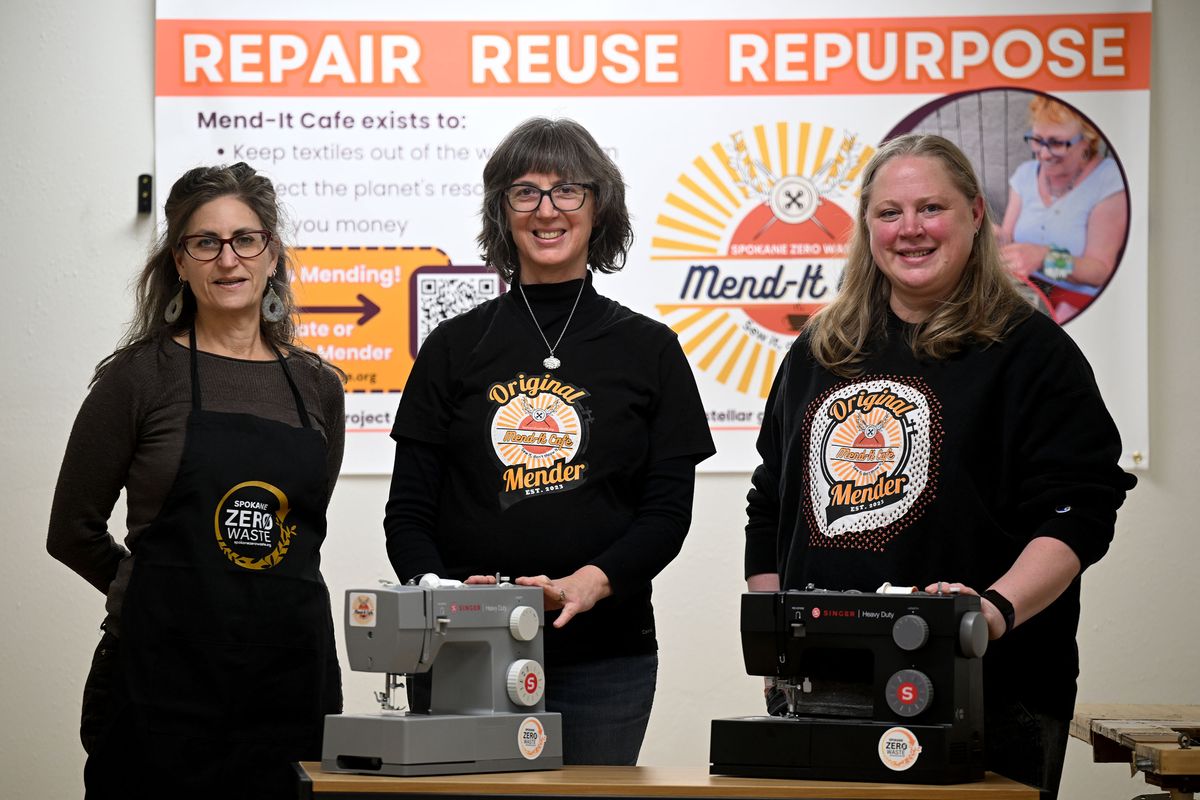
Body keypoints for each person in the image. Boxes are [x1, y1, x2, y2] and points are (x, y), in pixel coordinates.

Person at [745, 134, 1135, 800]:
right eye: (889, 213)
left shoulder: (1030, 350)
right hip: (828, 686)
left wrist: (992, 611)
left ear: (976, 215)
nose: (910, 230)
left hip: (990, 688)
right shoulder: (821, 348)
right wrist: (777, 633)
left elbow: (1079, 510)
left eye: (932, 208)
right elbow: (771, 501)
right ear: (867, 225)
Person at [384, 117, 715, 765]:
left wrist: (593, 580)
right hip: (464, 652)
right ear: (502, 211)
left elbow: (667, 513)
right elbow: (409, 512)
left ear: (599, 207)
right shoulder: (453, 348)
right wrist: (444, 596)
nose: (547, 210)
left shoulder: (651, 350)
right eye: (525, 192)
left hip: (606, 661)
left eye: (568, 190)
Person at [47, 163, 345, 798]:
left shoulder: (319, 386)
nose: (227, 259)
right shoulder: (138, 379)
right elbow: (70, 531)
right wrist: (154, 596)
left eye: (246, 239)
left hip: (290, 684)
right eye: (204, 242)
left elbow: (301, 536)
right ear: (179, 262)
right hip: (162, 685)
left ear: (273, 255)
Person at [998, 95, 1128, 323]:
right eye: (1037, 140)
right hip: (1028, 295)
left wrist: (1043, 258)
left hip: (1081, 306)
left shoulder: (1108, 180)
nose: (1044, 154)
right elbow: (1007, 238)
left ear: (1087, 141)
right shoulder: (1026, 174)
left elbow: (1100, 272)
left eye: (1057, 143)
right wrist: (989, 234)